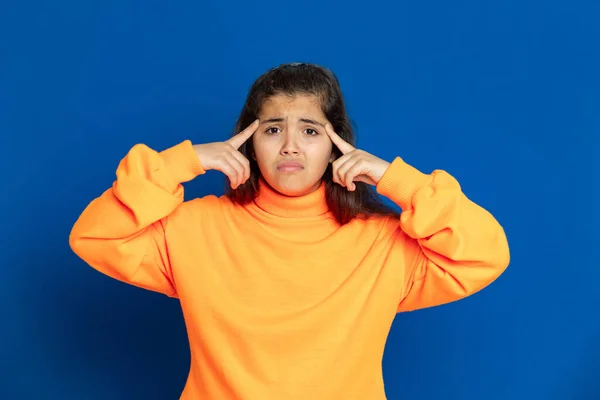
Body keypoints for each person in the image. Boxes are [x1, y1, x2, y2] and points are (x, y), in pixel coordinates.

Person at [69, 62, 510, 399]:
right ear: (246, 141)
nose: (291, 146)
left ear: (338, 145)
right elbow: (95, 236)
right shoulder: (194, 227)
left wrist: (395, 179)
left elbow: (484, 254)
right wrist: (183, 162)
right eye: (273, 129)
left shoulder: (381, 241)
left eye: (311, 130)